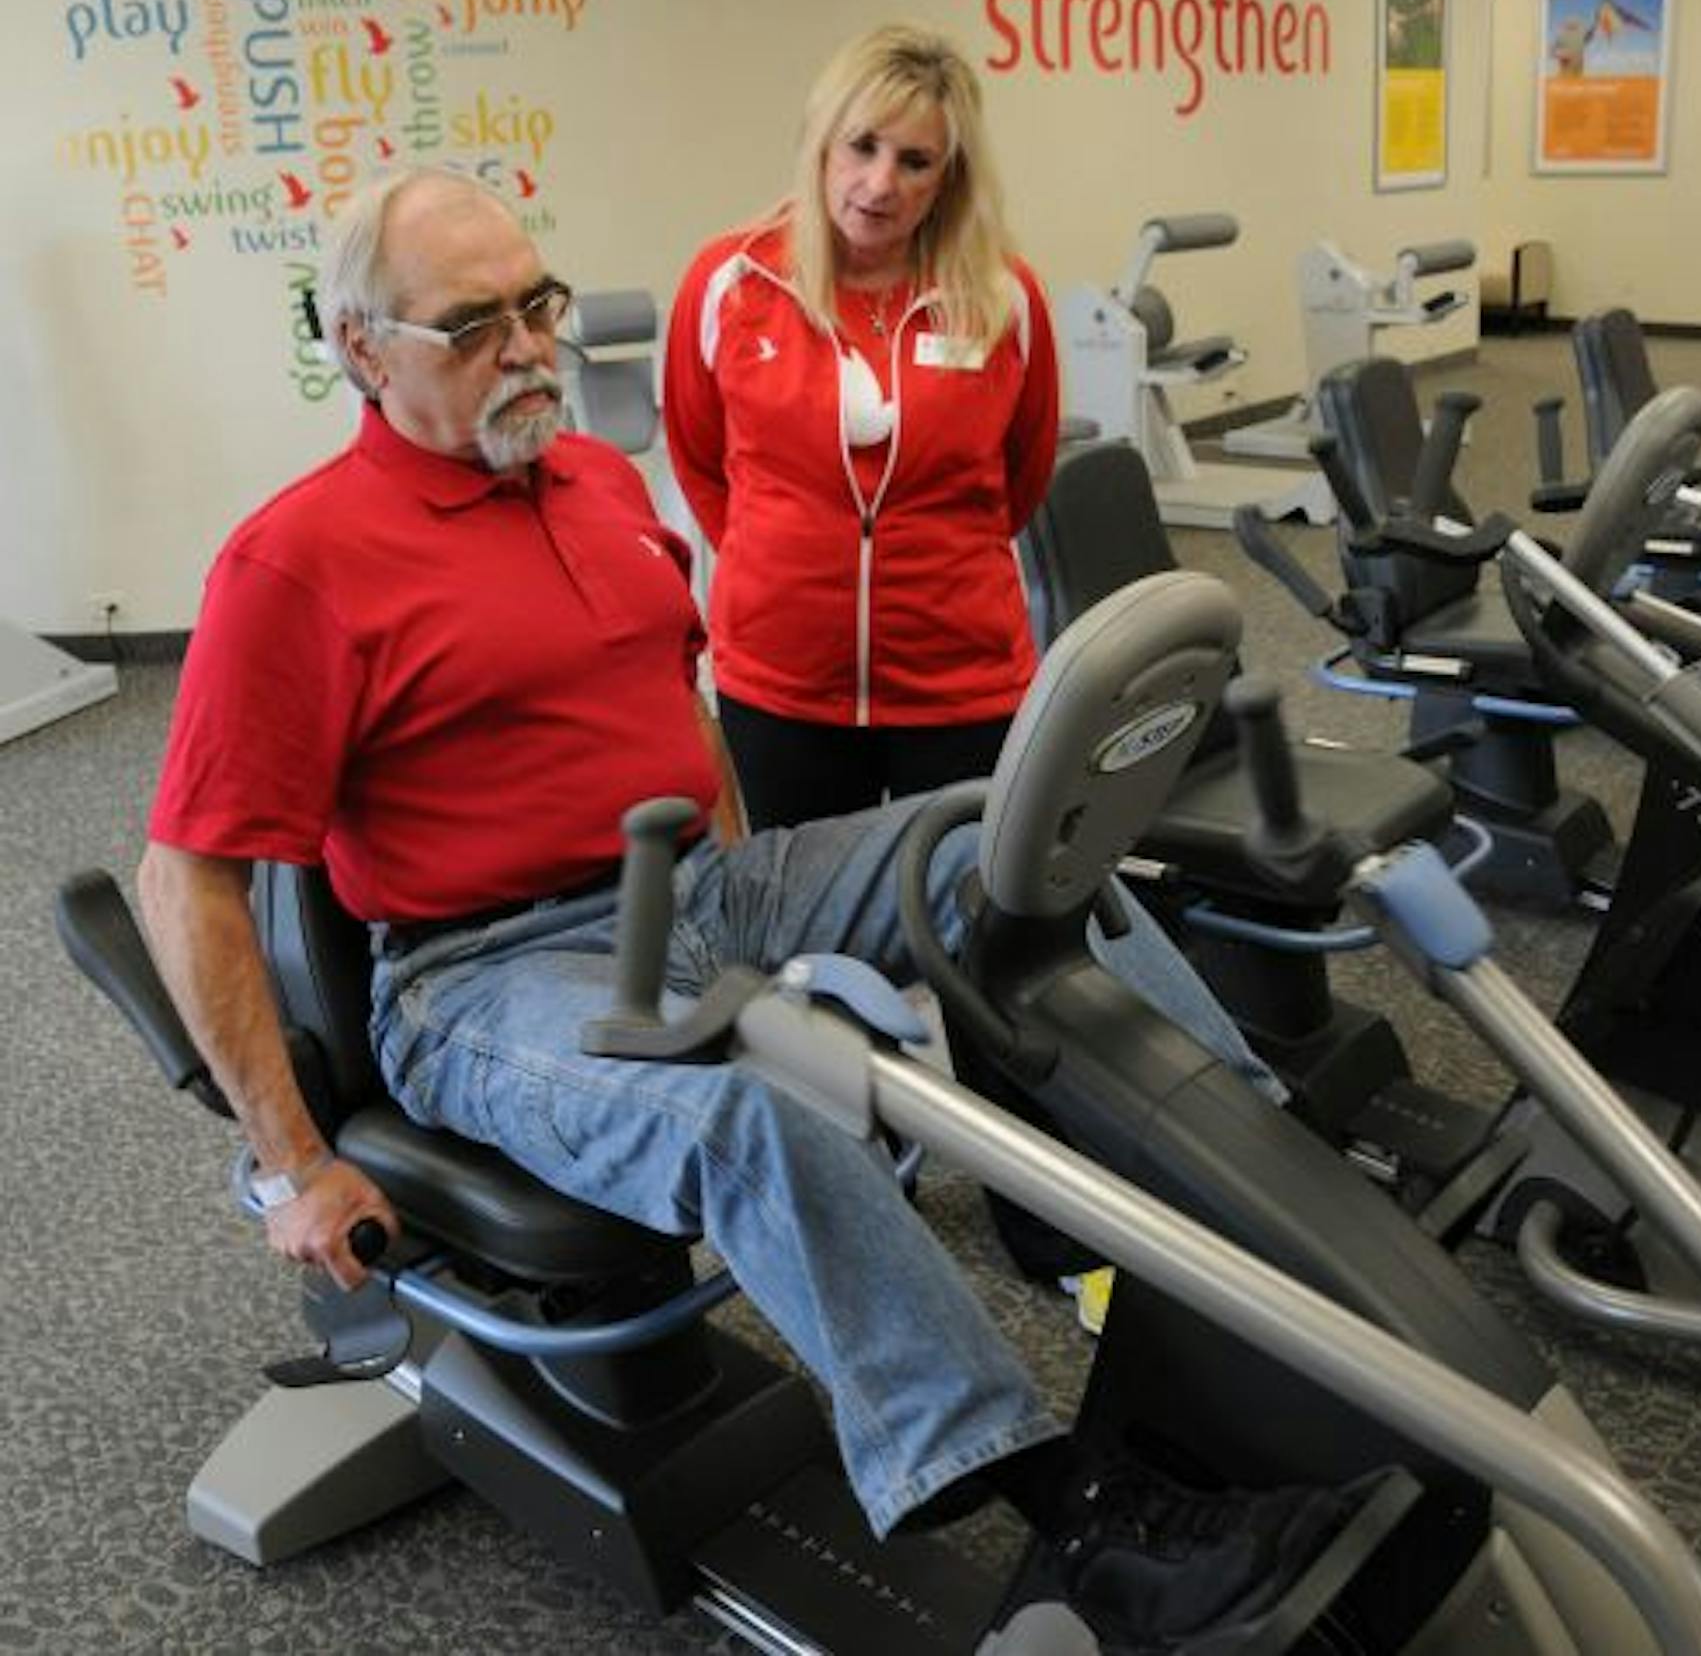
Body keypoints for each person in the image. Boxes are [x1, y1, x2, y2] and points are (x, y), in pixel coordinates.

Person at [137, 164, 1347, 1642]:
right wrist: (291, 1168)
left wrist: (754, 909)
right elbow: (185, 873)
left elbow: (678, 699)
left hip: (698, 886)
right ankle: (1077, 1515)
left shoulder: (591, 479)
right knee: (743, 1110)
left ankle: (1285, 1210)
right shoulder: (295, 563)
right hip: (489, 972)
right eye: (472, 324)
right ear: (363, 350)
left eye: (539, 303)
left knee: (1005, 843)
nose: (527, 346)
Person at [663, 24, 1058, 830]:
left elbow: (1021, 473)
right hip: (781, 678)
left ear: (949, 177)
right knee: (806, 921)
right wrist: (787, 558)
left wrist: (924, 559)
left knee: (951, 917)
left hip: (960, 676)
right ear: (820, 144)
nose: (880, 184)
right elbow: (702, 459)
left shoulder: (1002, 295)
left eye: (915, 162)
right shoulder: (730, 282)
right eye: (862, 147)